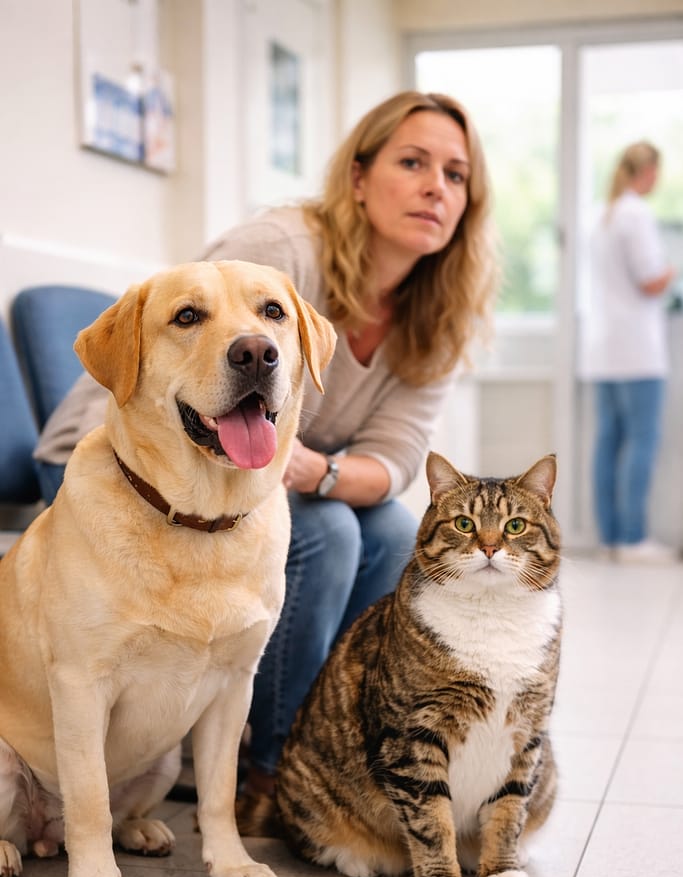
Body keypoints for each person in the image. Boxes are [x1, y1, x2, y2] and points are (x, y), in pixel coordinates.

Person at [33, 91, 498, 830]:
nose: (435, 187)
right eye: (412, 162)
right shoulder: (279, 252)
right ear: (358, 177)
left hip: (249, 469)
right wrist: (288, 464)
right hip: (121, 459)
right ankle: (271, 772)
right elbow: (178, 338)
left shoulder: (437, 314)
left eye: (455, 174)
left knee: (385, 529)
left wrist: (313, 470)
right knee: (329, 533)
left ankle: (323, 743)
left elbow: (394, 460)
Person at [580, 141, 676, 565]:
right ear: (649, 171)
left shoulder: (601, 214)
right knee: (641, 441)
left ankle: (610, 538)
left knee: (609, 441)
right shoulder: (636, 213)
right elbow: (650, 281)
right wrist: (673, 269)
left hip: (603, 349)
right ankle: (633, 539)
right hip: (636, 350)